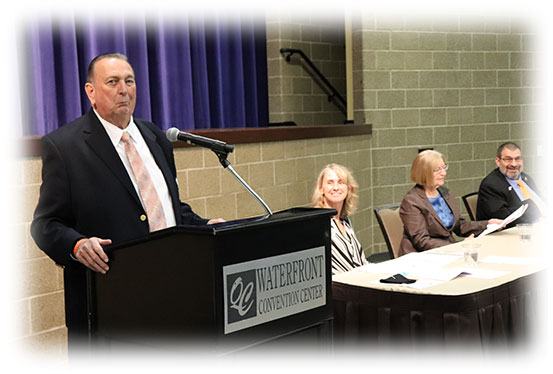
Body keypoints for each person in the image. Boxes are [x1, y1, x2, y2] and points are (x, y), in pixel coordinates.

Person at [30, 53, 223, 347]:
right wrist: (76, 244)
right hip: (109, 306)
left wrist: (204, 226)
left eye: (129, 81)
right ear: (90, 91)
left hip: (173, 295)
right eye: (113, 82)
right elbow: (45, 224)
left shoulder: (155, 137)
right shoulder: (64, 147)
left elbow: (168, 207)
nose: (124, 89)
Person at [398, 150, 502, 257]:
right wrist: (457, 246)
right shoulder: (411, 201)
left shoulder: (444, 192)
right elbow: (421, 241)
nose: (444, 173)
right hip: (420, 257)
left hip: (447, 252)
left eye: (444, 167)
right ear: (424, 173)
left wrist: (488, 224)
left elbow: (460, 225)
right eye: (437, 170)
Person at [312, 163, 368, 275]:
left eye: (341, 182)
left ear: (349, 189)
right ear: (321, 189)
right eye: (330, 183)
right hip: (339, 287)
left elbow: (359, 262)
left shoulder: (344, 221)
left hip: (358, 280)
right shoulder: (318, 223)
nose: (336, 188)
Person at [477, 142, 543, 227]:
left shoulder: (526, 178)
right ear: (498, 161)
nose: (514, 164)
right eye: (508, 159)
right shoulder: (491, 185)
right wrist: (536, 210)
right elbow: (504, 217)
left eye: (518, 159)